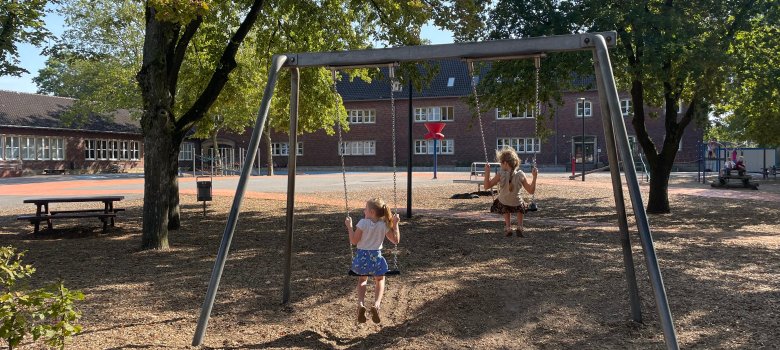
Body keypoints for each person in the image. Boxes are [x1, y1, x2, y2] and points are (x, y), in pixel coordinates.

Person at [344, 198, 400, 324]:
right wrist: (395, 224)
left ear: (372, 212)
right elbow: (395, 240)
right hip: (376, 258)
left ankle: (361, 304)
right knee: (380, 279)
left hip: (362, 258)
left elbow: (354, 241)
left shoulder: (363, 223)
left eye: (366, 209)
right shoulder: (384, 225)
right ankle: (376, 304)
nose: (364, 211)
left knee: (362, 280)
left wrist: (349, 227)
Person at [483, 148, 538, 237]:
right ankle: (520, 226)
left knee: (504, 202)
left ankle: (508, 227)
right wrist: (535, 177)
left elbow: (486, 186)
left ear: (505, 163)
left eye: (501, 163)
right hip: (516, 203)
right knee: (521, 204)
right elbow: (531, 191)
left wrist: (487, 172)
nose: (500, 165)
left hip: (504, 202)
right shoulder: (521, 174)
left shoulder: (500, 174)